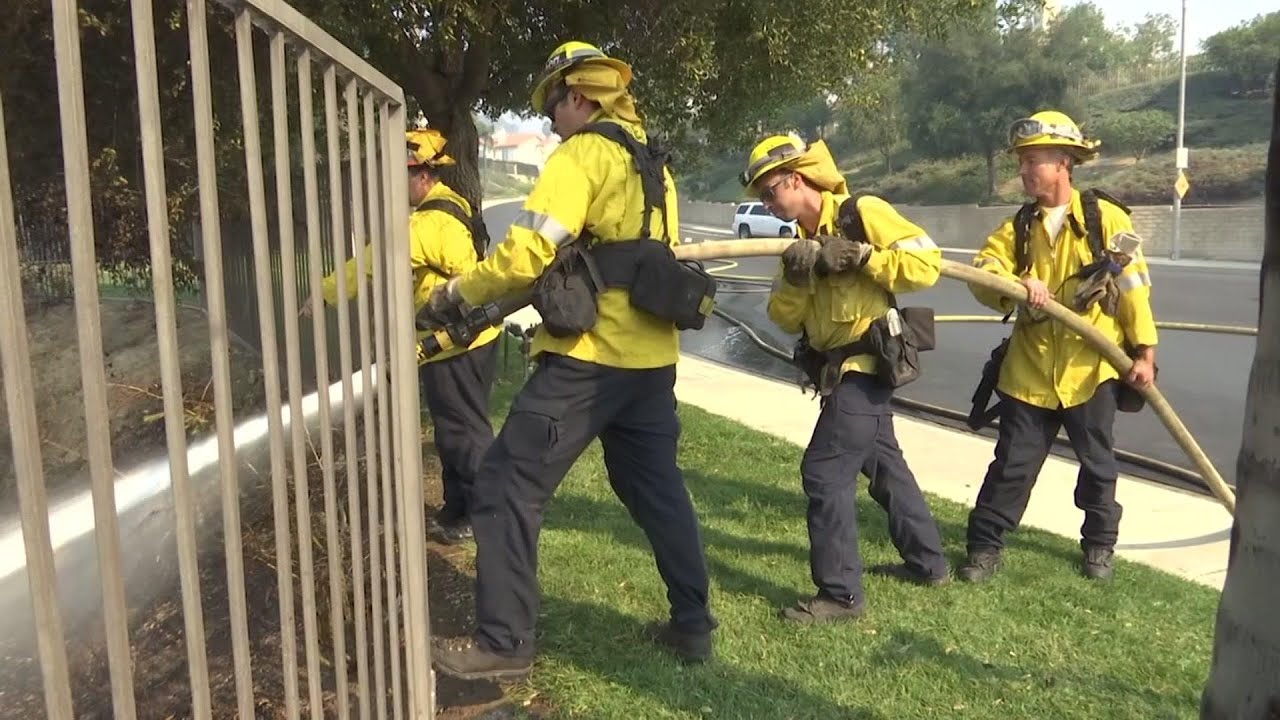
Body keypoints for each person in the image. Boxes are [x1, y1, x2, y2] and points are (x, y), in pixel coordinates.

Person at [423, 41, 717, 680]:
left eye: (553, 104)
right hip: (650, 361)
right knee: (656, 489)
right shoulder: (653, 167)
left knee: (504, 484)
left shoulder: (582, 153)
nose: (550, 118)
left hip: (590, 359)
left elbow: (527, 252)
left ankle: (503, 643)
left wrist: (456, 292)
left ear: (578, 96)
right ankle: (693, 626)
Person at [744, 134, 951, 624]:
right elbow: (784, 317)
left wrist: (865, 258)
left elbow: (928, 263)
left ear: (796, 179)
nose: (767, 204)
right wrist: (798, 278)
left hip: (867, 368)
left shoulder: (864, 212)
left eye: (770, 192)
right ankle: (929, 563)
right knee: (885, 467)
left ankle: (840, 595)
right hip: (837, 372)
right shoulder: (795, 245)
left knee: (824, 472)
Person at [960, 110, 1158, 583]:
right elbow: (983, 273)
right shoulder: (1019, 228)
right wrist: (1015, 283)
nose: (1025, 171)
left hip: (1091, 370)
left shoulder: (1104, 218)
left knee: (1098, 465)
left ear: (1064, 162)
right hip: (1028, 372)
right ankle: (984, 549)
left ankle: (1099, 546)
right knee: (1012, 465)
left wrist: (1145, 352)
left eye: (1035, 161)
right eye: (1023, 162)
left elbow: (1133, 287)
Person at [307, 128, 500, 544]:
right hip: (460, 341)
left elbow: (369, 263)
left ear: (422, 175)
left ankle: (484, 516)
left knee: (464, 433)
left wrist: (323, 294)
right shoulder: (452, 207)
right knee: (453, 431)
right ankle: (456, 511)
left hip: (458, 345)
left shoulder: (428, 223)